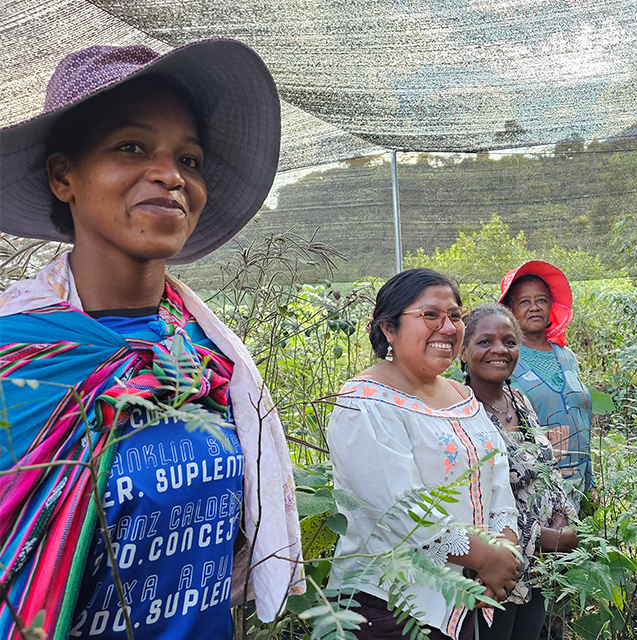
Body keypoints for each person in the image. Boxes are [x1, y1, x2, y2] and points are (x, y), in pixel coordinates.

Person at [0, 41, 303, 640]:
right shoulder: (17, 360)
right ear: (65, 176)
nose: (171, 175)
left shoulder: (211, 355)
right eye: (131, 147)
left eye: (189, 159)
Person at [326, 269, 521, 640]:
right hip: (389, 607)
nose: (448, 328)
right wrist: (486, 558)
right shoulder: (365, 402)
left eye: (455, 316)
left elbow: (497, 482)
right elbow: (398, 509)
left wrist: (502, 552)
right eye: (431, 315)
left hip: (465, 599)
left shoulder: (464, 397)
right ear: (389, 329)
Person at [460, 303, 578, 640]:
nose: (499, 350)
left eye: (509, 342)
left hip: (538, 567)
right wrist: (541, 536)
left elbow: (547, 470)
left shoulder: (519, 400)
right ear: (463, 352)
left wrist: (563, 519)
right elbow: (471, 497)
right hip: (494, 567)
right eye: (485, 342)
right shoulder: (461, 412)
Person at [499, 261, 593, 505]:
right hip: (537, 489)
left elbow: (583, 421)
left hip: (580, 484)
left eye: (541, 300)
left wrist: (591, 484)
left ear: (551, 306)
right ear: (509, 309)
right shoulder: (504, 359)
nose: (534, 307)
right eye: (524, 301)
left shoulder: (567, 356)